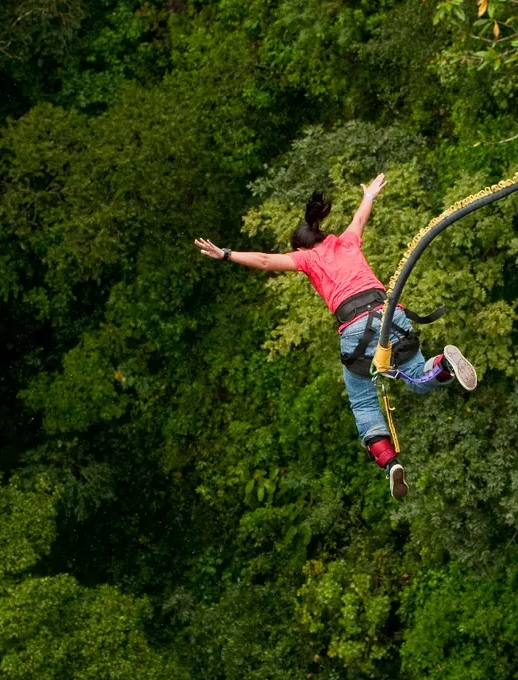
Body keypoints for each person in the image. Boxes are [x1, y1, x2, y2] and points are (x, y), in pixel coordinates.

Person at [193, 173, 477, 499]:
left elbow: (265, 260)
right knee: (418, 373)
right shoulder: (346, 241)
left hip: (356, 329)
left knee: (363, 402)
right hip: (390, 314)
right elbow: (359, 218)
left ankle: (391, 464)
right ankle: (444, 363)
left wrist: (225, 254)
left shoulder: (306, 257)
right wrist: (369, 194)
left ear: (300, 247)